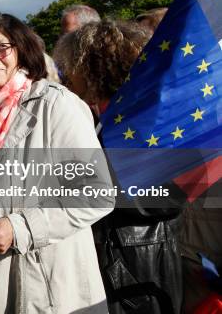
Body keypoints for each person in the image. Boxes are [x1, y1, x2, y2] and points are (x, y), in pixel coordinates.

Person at [0, 11, 113, 313]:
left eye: (1, 46)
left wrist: (19, 228)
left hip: (42, 281)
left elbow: (96, 192)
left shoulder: (56, 104)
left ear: (22, 49)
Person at [55, 19, 183, 314]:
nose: (65, 77)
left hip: (136, 267)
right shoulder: (106, 116)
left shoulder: (140, 122)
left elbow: (167, 197)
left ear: (92, 68)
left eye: (69, 68)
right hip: (120, 259)